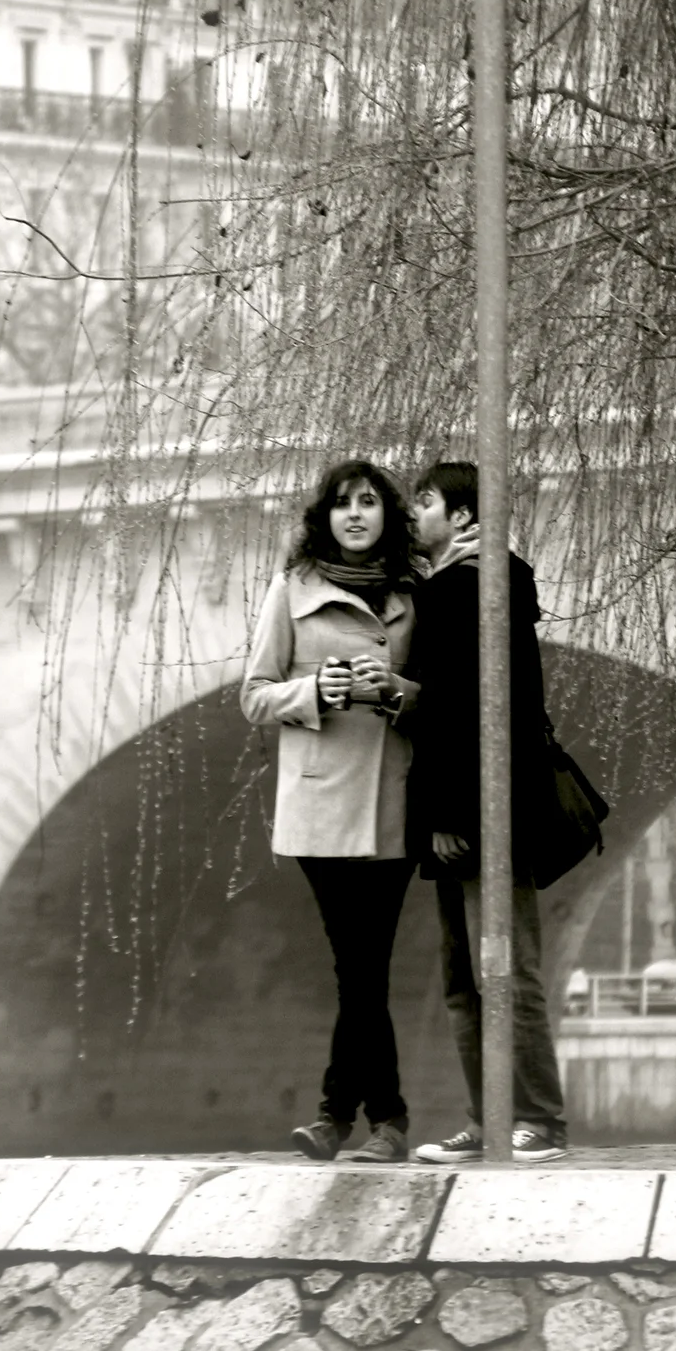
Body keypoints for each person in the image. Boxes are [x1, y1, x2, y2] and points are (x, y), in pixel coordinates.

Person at [241, 458, 421, 1163]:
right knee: (359, 966)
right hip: (319, 800)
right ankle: (377, 1120)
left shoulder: (416, 592)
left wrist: (395, 687)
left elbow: (441, 695)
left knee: (363, 967)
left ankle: (345, 1119)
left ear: (386, 516)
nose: (355, 514)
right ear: (325, 515)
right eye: (343, 503)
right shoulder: (291, 589)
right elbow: (255, 694)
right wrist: (316, 689)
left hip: (390, 800)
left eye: (369, 503)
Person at [400, 460, 570, 1164]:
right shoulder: (471, 585)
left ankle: (539, 1118)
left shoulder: (465, 590)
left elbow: (465, 711)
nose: (413, 512)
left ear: (464, 517)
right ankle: (491, 1116)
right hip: (475, 808)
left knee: (503, 970)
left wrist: (447, 814)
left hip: (475, 812)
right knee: (466, 978)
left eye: (427, 501)